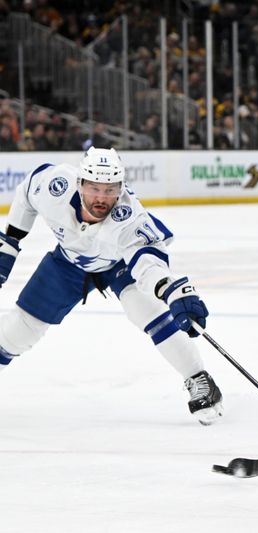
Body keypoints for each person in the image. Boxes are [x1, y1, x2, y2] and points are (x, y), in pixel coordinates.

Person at [0, 148, 223, 425]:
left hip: (119, 265)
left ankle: (198, 377)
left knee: (144, 309)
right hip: (69, 262)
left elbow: (148, 264)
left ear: (121, 188)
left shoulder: (128, 218)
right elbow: (26, 192)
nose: (102, 198)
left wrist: (172, 291)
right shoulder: (56, 186)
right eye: (94, 188)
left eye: (110, 189)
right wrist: (9, 242)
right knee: (18, 331)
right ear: (79, 183)